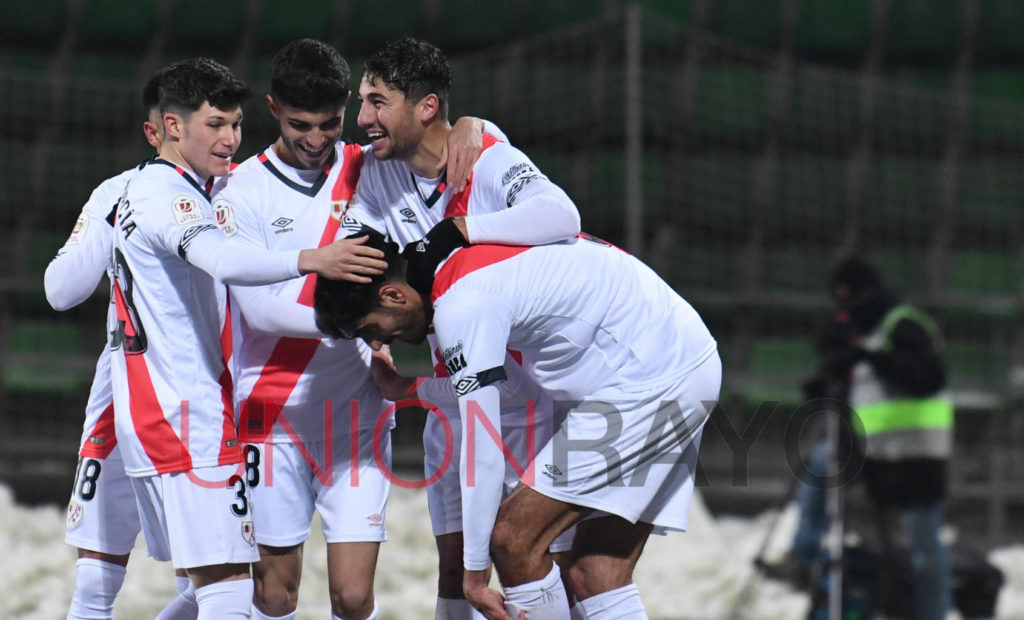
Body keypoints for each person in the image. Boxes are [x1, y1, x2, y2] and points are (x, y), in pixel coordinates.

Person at [210, 38, 492, 620]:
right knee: (274, 593)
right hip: (270, 412)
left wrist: (474, 123)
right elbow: (259, 311)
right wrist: (353, 320)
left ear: (347, 106)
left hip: (356, 415)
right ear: (271, 110)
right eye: (299, 126)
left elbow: (435, 137)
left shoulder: (369, 165)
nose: (316, 140)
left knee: (355, 596)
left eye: (329, 124)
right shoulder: (241, 190)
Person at [313, 232, 721, 620]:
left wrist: (474, 573)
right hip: (686, 358)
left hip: (648, 382)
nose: (380, 342)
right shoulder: (467, 261)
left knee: (512, 539)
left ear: (393, 295)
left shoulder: (461, 305)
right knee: (597, 575)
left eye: (370, 330)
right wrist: (411, 389)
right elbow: (506, 389)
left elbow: (483, 445)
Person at [108, 58, 370, 618]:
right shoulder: (190, 196)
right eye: (216, 125)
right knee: (233, 592)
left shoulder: (142, 191)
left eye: (234, 125)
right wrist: (313, 260)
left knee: (207, 585)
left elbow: (60, 289)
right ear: (172, 127)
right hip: (193, 415)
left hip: (170, 411)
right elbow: (226, 264)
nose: (229, 140)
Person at [341, 37, 582, 619]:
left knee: (543, 564)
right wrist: (367, 334)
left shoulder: (486, 156)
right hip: (454, 392)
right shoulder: (376, 174)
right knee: (454, 568)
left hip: (527, 402)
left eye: (377, 101)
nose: (362, 117)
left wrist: (460, 229)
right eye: (362, 100)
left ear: (425, 108)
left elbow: (563, 215)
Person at [45, 68, 198, 620]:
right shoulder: (121, 192)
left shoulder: (238, 190)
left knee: (219, 582)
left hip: (183, 383)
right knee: (100, 585)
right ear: (157, 131)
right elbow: (61, 290)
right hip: (141, 379)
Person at [767, 257, 953, 620]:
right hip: (875, 452)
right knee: (822, 461)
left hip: (917, 456)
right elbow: (863, 393)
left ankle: (932, 613)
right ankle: (803, 554)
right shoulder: (862, 335)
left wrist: (868, 358)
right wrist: (829, 381)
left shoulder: (904, 326)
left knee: (922, 545)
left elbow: (927, 378)